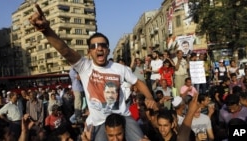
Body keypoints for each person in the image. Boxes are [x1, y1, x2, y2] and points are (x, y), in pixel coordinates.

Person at [29, 4, 156, 141]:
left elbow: (139, 82)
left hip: (123, 116)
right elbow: (65, 50)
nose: (99, 48)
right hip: (99, 122)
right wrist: (46, 30)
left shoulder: (120, 68)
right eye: (94, 46)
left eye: (103, 45)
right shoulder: (84, 66)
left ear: (107, 50)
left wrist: (150, 98)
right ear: (89, 52)